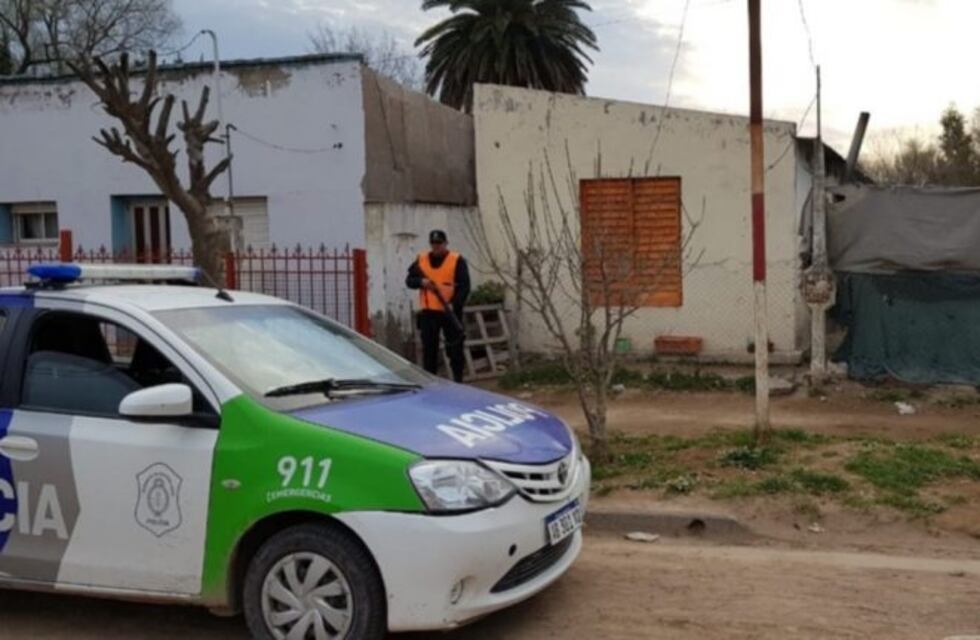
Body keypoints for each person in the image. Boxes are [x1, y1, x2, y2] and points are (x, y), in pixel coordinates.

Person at [406, 230, 470, 382]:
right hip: (429, 313)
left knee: (455, 350)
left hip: (450, 312)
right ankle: (432, 382)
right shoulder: (421, 260)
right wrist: (421, 282)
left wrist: (455, 303)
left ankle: (458, 381)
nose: (436, 247)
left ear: (446, 243)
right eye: (434, 244)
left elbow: (465, 286)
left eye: (439, 244)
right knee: (429, 350)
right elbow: (409, 280)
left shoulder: (457, 260)